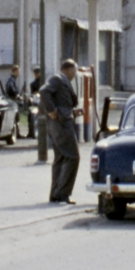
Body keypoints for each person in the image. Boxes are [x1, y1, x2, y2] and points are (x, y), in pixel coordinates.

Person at [39, 59, 83, 204]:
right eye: (75, 71)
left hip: (61, 122)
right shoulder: (57, 79)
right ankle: (62, 193)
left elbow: (62, 103)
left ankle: (56, 194)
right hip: (62, 125)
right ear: (70, 69)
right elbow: (44, 91)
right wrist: (51, 110)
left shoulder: (61, 80)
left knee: (61, 158)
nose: (75, 75)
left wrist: (73, 112)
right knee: (73, 157)